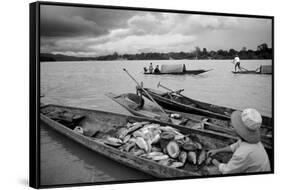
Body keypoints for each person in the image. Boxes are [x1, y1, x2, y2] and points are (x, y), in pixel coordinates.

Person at [207, 108, 271, 174]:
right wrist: (218, 150)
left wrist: (213, 160)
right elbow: (235, 146)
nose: (232, 126)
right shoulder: (249, 141)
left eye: (234, 126)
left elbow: (227, 171)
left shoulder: (242, 154)